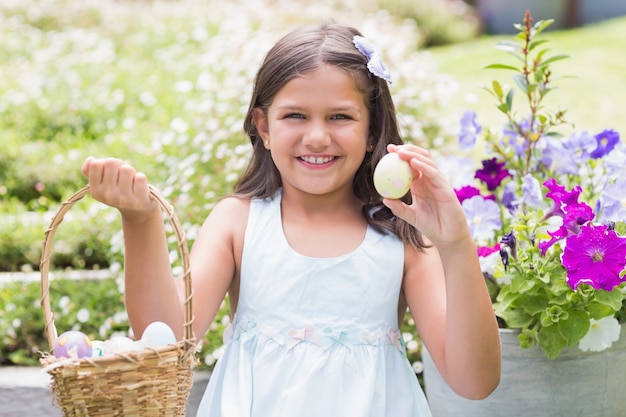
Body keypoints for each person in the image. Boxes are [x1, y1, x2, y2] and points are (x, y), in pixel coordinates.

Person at [81, 21, 501, 417]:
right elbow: (165, 337)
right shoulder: (238, 223)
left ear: (372, 130)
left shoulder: (401, 237)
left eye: (340, 116)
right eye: (295, 116)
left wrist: (455, 244)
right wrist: (140, 221)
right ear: (263, 126)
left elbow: (475, 381)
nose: (317, 136)